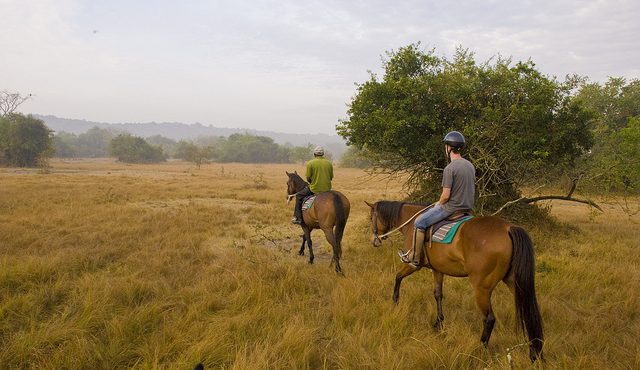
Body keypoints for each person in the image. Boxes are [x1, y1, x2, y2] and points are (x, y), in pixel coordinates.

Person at [401, 131, 475, 266]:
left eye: (446, 146)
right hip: (468, 209)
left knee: (419, 222)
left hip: (451, 209)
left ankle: (415, 258)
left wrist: (438, 204)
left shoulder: (450, 168)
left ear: (449, 148)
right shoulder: (470, 165)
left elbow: (446, 195)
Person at [291, 146, 334, 224]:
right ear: (323, 154)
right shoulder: (329, 163)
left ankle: (297, 217)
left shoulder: (310, 163)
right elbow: (331, 177)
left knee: (299, 195)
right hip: (327, 189)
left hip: (314, 188)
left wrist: (313, 182)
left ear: (314, 154)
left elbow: (308, 178)